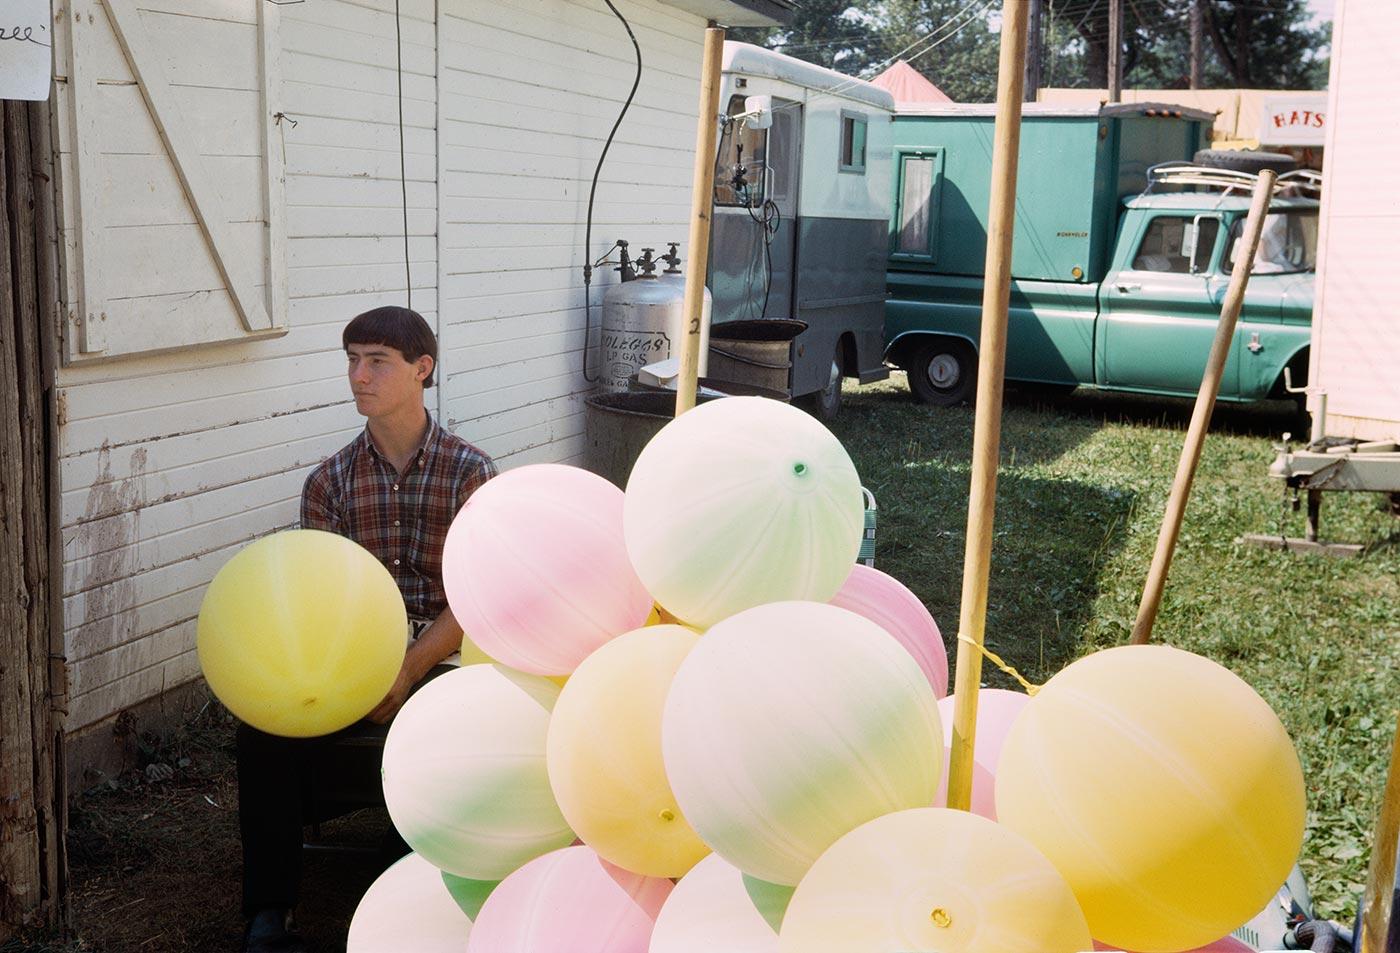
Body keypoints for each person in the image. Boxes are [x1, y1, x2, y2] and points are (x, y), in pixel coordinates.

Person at [237, 306, 496, 953]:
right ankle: (270, 913)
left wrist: (407, 669)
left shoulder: (470, 472)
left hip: (442, 658)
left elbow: (475, 598)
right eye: (351, 359)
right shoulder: (329, 480)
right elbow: (319, 600)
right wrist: (356, 676)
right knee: (262, 731)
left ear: (422, 369)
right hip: (349, 662)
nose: (359, 375)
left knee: (454, 734)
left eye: (376, 360)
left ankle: (392, 889)